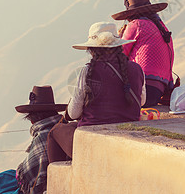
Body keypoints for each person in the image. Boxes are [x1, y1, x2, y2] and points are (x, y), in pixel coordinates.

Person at [46, 22, 146, 163]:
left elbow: (74, 113)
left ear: (92, 49)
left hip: (92, 139)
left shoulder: (86, 72)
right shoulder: (137, 69)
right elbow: (142, 101)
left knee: (55, 131)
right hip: (128, 134)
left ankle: (54, 181)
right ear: (118, 46)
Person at [0, 85, 66, 194]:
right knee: (4, 177)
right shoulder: (60, 127)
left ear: (32, 120)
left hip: (40, 187)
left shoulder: (44, 136)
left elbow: (34, 177)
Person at [111, 0, 176, 107]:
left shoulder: (136, 25)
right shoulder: (161, 27)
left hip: (143, 89)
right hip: (158, 91)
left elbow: (118, 55)